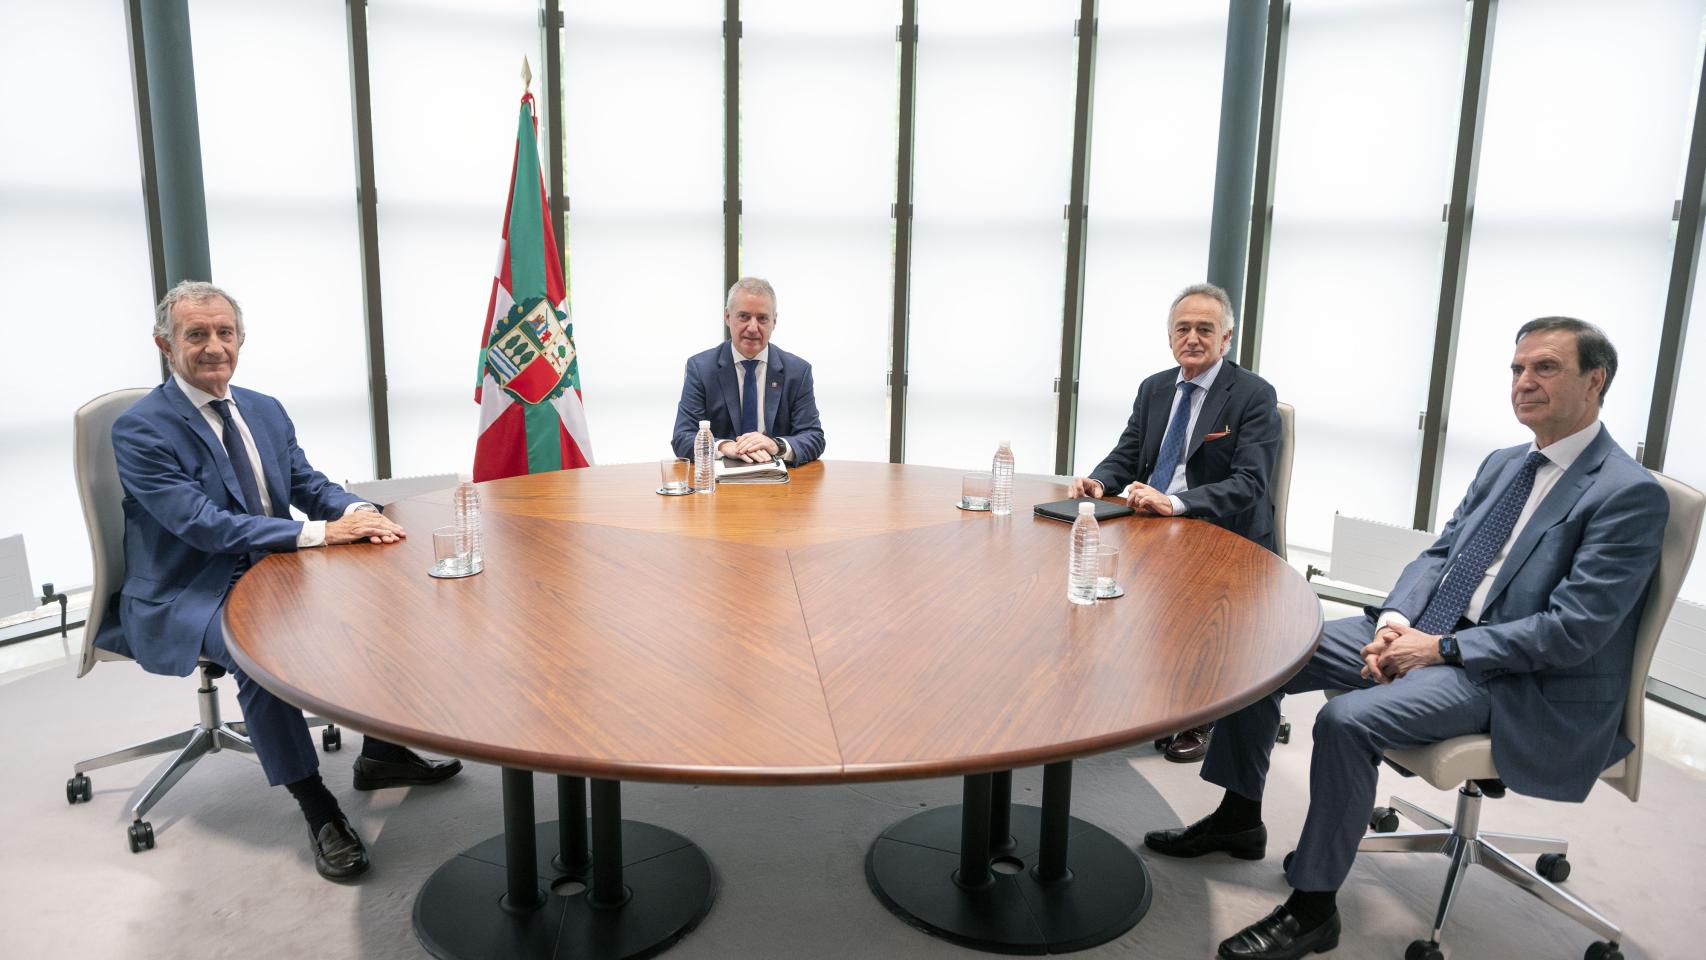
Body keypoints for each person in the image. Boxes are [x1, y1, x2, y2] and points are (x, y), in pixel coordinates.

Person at [1143, 317, 1667, 960]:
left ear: (1595, 380)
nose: (1524, 382)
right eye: (1517, 369)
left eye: (1545, 368)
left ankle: (1313, 911)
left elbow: (1572, 631)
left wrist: (1440, 649)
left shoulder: (1626, 493)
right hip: (1431, 629)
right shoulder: (1506, 463)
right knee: (1264, 654)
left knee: (1346, 721)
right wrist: (1396, 622)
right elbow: (1440, 555)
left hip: (1513, 674)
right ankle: (1238, 818)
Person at [96, 281, 462, 882]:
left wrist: (358, 514)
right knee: (262, 651)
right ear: (165, 345)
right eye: (196, 334)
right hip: (191, 587)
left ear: (241, 340)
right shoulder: (141, 429)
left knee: (388, 599)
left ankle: (381, 753)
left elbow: (305, 484)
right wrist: (321, 534)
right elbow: (202, 525)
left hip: (274, 565)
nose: (214, 347)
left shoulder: (263, 408)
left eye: (225, 333)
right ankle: (318, 807)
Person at [1068, 282, 1281, 762]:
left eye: (1205, 329)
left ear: (1226, 339)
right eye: (1183, 329)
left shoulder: (1253, 395)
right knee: (1086, 567)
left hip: (1220, 532)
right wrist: (1099, 482)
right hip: (1153, 520)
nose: (1193, 338)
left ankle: (1200, 713)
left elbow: (1250, 484)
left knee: (1190, 607)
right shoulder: (1155, 388)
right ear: (1169, 338)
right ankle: (1128, 690)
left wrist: (1176, 503)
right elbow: (1128, 453)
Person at [672, 277, 826, 466]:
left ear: (774, 321)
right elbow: (682, 437)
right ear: (727, 317)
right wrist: (724, 446)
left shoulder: (798, 371)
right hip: (721, 479)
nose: (753, 328)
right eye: (744, 316)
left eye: (762, 318)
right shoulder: (701, 368)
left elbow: (813, 437)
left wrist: (776, 445)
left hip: (779, 479)